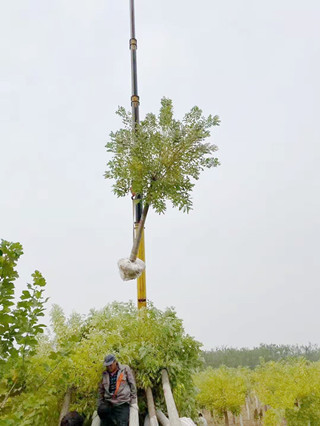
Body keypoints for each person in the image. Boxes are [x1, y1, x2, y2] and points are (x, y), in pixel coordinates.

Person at [98, 354, 137, 426]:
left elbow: (132, 384)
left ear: (115, 362)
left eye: (110, 365)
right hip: (109, 402)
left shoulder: (125, 369)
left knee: (123, 423)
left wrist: (133, 401)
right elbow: (101, 390)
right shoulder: (104, 374)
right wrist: (100, 403)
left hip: (122, 402)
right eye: (107, 366)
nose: (109, 367)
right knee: (102, 411)